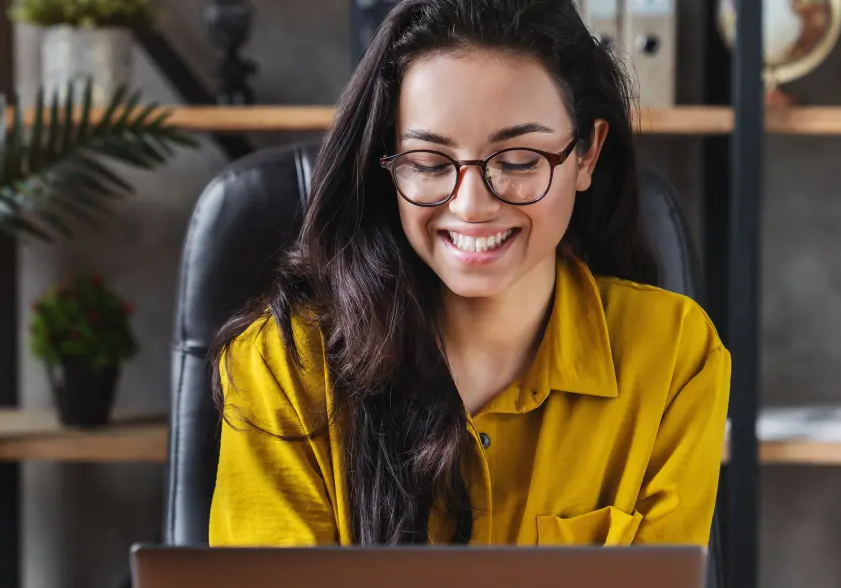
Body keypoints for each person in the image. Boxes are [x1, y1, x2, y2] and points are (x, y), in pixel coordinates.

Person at [206, 0, 731, 547]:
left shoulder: (673, 355)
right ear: (389, 163)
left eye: (520, 159)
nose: (472, 204)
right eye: (431, 164)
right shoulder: (285, 365)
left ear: (586, 154)